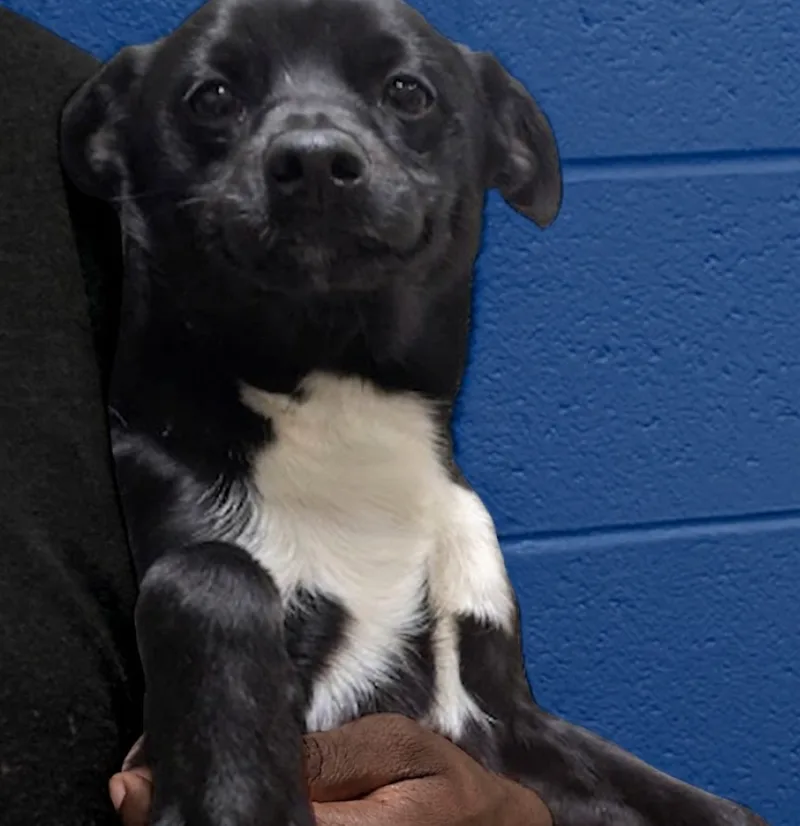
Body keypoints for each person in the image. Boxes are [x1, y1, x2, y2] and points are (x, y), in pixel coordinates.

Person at [0, 8, 552, 825]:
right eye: (217, 100)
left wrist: (516, 814)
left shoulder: (40, 114)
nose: (314, 147)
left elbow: (510, 766)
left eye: (404, 94)